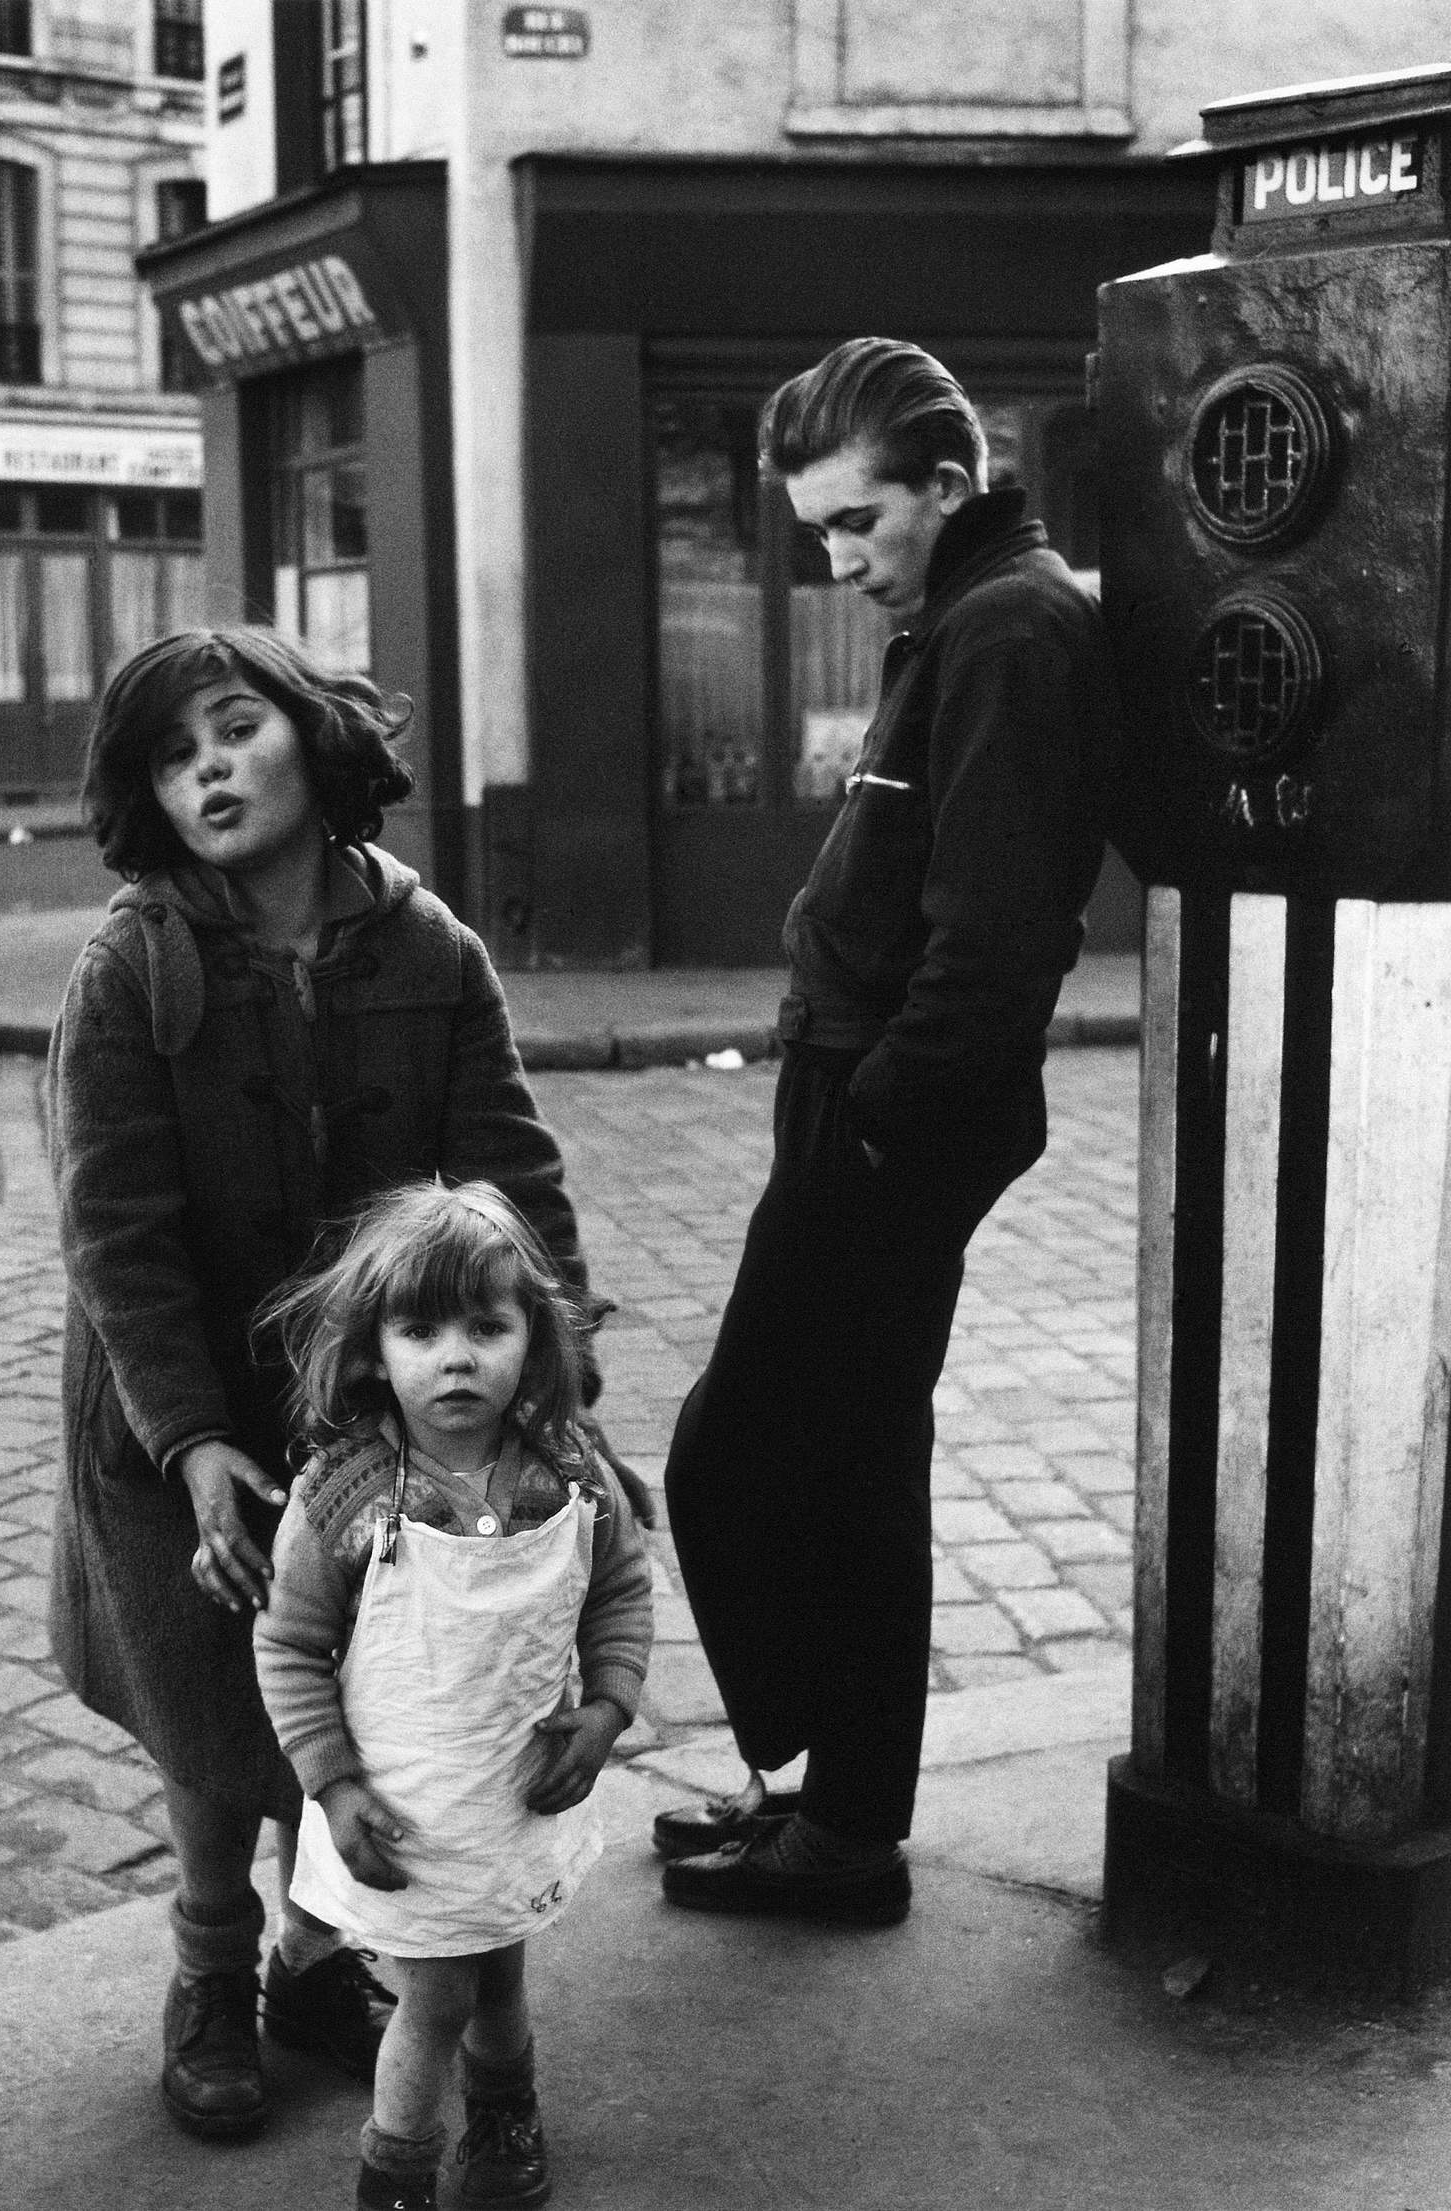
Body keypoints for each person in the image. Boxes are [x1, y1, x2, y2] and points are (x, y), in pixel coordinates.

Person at [48, 626, 635, 2142]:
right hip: (175, 1403)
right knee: (209, 1701)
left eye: (236, 729)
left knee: (368, 1678)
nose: (212, 769)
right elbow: (114, 1227)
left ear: (312, 738)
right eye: (176, 758)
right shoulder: (132, 963)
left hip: (370, 1400)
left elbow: (515, 1182)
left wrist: (561, 1389)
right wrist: (187, 1442)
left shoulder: (428, 945)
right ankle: (210, 1970)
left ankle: (315, 1964)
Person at [654, 338, 1118, 1918]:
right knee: (837, 1453)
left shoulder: (1010, 628)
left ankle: (840, 1825)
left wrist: (873, 1126)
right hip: (862, 1091)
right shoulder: (966, 615)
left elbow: (994, 936)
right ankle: (830, 1803)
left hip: (890, 1107)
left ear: (949, 480)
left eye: (861, 523)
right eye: (819, 535)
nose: (842, 563)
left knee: (750, 1455)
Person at [255, 1180, 653, 2211]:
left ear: (536, 1336)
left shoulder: (567, 1474)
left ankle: (505, 2115)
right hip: (405, 1809)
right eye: (421, 1330)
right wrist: (333, 1787)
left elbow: (618, 1592)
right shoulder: (344, 1498)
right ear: (374, 1349)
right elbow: (291, 1646)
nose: (458, 1355)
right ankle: (396, 2169)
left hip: (516, 1794)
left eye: (487, 1325)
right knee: (434, 1995)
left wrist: (607, 1711)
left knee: (503, 1971)